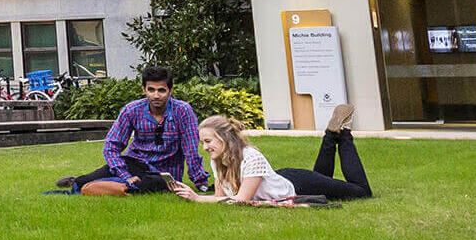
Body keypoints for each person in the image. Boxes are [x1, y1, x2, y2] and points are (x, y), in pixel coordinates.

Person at [52, 66, 211, 196]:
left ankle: (110, 186)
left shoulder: (183, 111)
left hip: (164, 173)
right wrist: (125, 175)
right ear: (144, 90)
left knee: (148, 186)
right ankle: (81, 181)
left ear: (170, 90)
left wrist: (201, 183)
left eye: (161, 90)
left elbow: (190, 149)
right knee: (82, 183)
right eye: (151, 89)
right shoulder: (132, 110)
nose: (156, 95)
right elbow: (111, 146)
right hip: (134, 163)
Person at [172, 106, 373, 204]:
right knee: (326, 181)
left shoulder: (250, 156)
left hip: (299, 184)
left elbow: (240, 200)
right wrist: (194, 196)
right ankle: (331, 134)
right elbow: (221, 198)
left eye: (208, 141)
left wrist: (197, 198)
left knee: (361, 192)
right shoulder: (217, 159)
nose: (204, 147)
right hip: (280, 179)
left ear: (225, 138)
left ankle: (343, 133)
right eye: (202, 142)